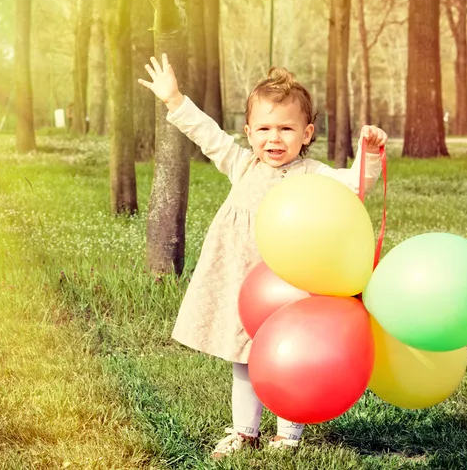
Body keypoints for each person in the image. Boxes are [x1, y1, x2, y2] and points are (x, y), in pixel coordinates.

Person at [138, 54, 387, 458]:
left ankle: (288, 432)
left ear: (306, 133)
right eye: (265, 129)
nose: (275, 138)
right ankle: (244, 431)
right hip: (242, 282)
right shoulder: (242, 165)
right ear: (249, 132)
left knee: (291, 353)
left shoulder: (313, 175)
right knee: (244, 358)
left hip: (291, 285)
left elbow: (354, 190)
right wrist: (174, 99)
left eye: (286, 129)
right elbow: (207, 134)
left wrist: (369, 155)